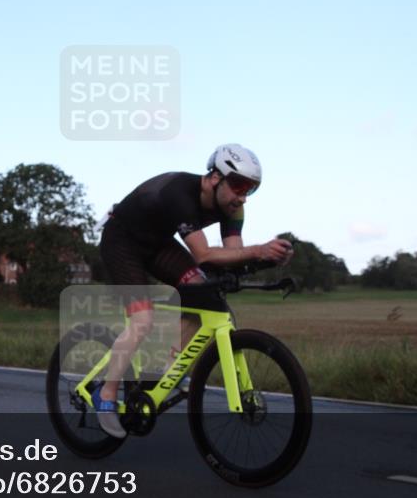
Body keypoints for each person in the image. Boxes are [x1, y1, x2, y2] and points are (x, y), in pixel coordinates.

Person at [93, 143, 294, 438]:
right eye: (238, 185)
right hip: (121, 241)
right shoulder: (180, 193)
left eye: (250, 189)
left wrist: (265, 259)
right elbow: (203, 255)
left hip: (157, 243)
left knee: (204, 295)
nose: (242, 197)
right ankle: (106, 396)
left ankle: (165, 369)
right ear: (215, 177)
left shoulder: (233, 210)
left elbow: (234, 258)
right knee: (143, 320)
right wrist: (258, 250)